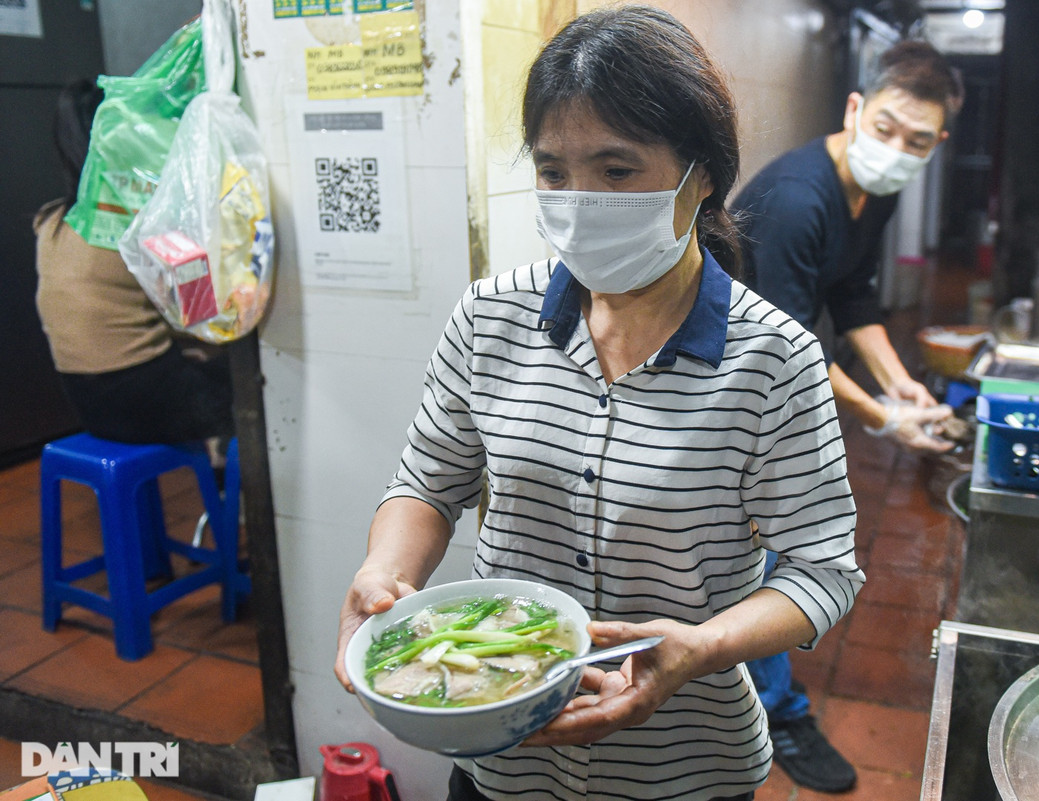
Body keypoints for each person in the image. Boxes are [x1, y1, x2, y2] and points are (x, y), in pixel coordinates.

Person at [334, 7, 862, 801]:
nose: (580, 201)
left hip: (683, 763)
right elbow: (427, 482)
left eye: (617, 172)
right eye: (553, 172)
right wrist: (383, 571)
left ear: (703, 175)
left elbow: (823, 570)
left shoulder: (773, 357)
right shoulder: (487, 318)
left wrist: (705, 644)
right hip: (500, 753)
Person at [730, 40, 963, 793]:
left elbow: (855, 294)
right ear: (856, 109)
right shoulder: (799, 198)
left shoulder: (876, 185)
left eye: (918, 142)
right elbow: (794, 342)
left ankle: (763, 693)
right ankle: (776, 711)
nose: (896, 152)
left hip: (779, 373)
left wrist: (902, 387)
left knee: (777, 541)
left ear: (938, 143)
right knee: (759, 549)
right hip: (728, 381)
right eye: (887, 128)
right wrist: (882, 418)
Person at [33, 78, 235, 449]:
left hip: (86, 402)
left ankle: (217, 475)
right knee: (256, 378)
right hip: (140, 404)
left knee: (194, 358)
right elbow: (201, 312)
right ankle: (235, 499)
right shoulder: (136, 217)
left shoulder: (52, 221)